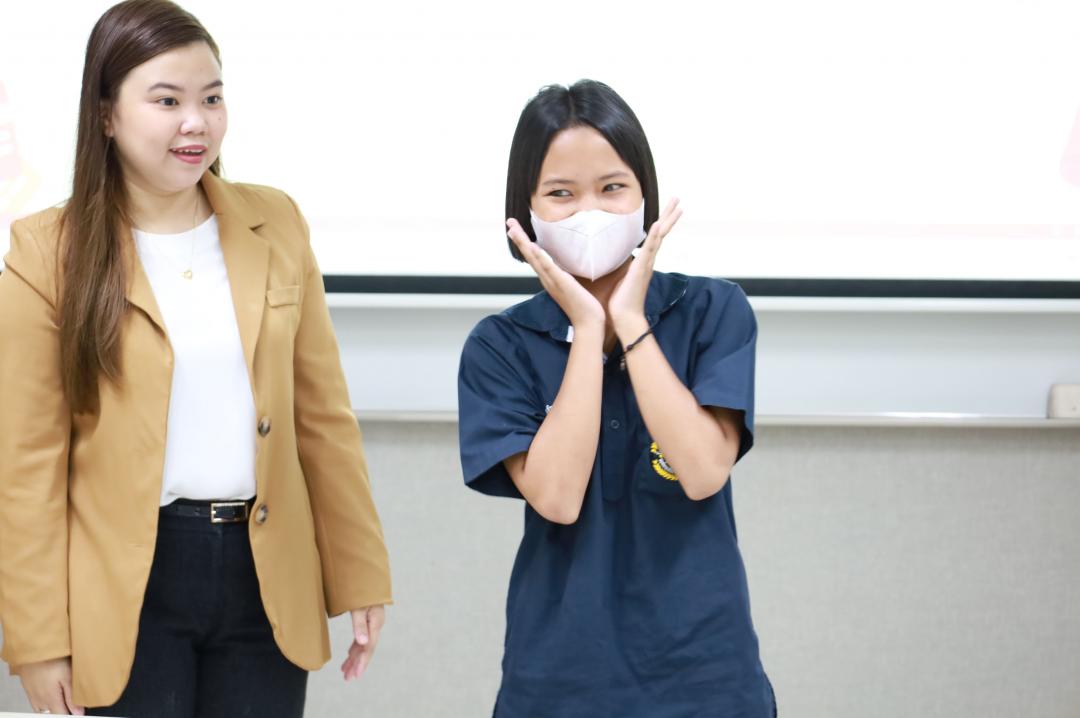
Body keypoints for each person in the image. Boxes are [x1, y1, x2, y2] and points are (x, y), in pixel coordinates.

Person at [0, 2, 391, 715]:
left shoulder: (276, 223)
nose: (196, 123)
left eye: (212, 98)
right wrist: (37, 638)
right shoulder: (45, 252)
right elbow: (26, 466)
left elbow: (323, 420)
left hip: (265, 573)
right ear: (106, 115)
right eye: (167, 101)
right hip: (126, 584)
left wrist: (360, 572)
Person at [457, 79, 776, 716]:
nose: (590, 212)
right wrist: (587, 330)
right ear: (523, 211)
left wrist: (629, 321)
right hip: (559, 678)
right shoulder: (499, 345)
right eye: (561, 193)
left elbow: (703, 471)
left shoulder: (714, 309)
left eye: (612, 188)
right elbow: (556, 497)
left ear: (644, 196)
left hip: (706, 675)